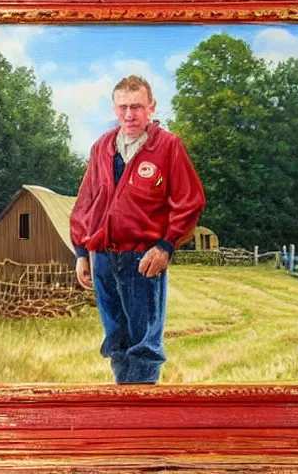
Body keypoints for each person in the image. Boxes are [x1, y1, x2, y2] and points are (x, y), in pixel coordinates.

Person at [70, 75, 205, 384]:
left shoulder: (168, 147)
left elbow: (190, 201)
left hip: (142, 259)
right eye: (123, 107)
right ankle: (123, 405)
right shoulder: (102, 146)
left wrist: (166, 246)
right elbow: (86, 201)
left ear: (151, 107)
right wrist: (81, 252)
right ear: (114, 108)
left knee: (144, 345)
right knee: (116, 340)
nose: (129, 115)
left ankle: (145, 413)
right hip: (102, 257)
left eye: (136, 107)